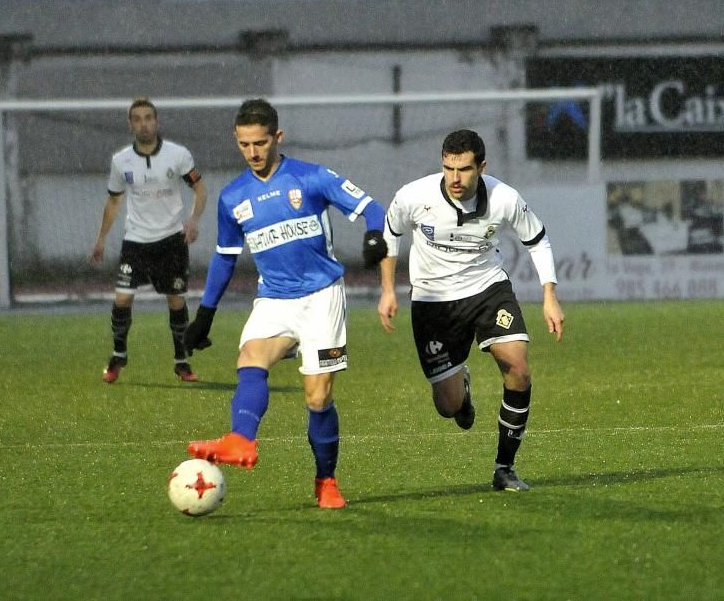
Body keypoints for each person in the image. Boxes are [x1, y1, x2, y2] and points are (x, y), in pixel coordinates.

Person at [184, 98, 388, 509]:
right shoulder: (232, 197)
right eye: (245, 145)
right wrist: (205, 313)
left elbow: (372, 208)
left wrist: (373, 236)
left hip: (321, 298)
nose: (253, 152)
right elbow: (225, 255)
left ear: (278, 137)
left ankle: (326, 481)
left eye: (260, 142)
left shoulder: (310, 178)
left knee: (317, 399)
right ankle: (241, 439)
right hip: (274, 296)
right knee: (250, 357)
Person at [377, 129, 564, 492]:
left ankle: (504, 468)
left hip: (486, 288)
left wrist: (549, 295)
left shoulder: (504, 198)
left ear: (481, 166)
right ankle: (460, 387)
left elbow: (538, 241)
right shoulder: (414, 196)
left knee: (519, 369)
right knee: (449, 407)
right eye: (449, 168)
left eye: (464, 169)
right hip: (432, 301)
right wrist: (387, 290)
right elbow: (389, 235)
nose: (455, 178)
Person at [90, 97, 207, 383]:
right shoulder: (121, 161)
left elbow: (200, 190)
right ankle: (118, 355)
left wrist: (192, 220)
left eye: (148, 118)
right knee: (122, 299)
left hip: (170, 240)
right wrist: (101, 239)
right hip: (136, 241)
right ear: (131, 125)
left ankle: (181, 361)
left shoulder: (178, 155)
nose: (143, 123)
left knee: (176, 302)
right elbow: (114, 201)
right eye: (137, 119)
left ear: (156, 122)